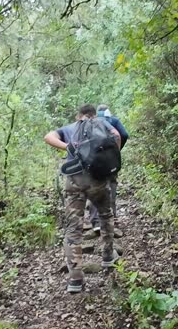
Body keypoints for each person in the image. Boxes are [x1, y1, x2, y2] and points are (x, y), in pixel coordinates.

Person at [44, 104, 122, 293]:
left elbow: (48, 137)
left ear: (78, 115)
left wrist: (68, 147)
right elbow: (118, 136)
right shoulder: (102, 124)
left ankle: (76, 279)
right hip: (98, 181)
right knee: (105, 216)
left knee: (73, 228)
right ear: (93, 115)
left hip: (74, 183)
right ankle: (107, 257)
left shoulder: (70, 128)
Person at [85, 104, 129, 232]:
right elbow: (124, 134)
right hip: (111, 161)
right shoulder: (113, 120)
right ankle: (112, 218)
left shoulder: (90, 123)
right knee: (112, 185)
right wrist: (117, 150)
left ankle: (96, 222)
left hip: (95, 162)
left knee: (94, 188)